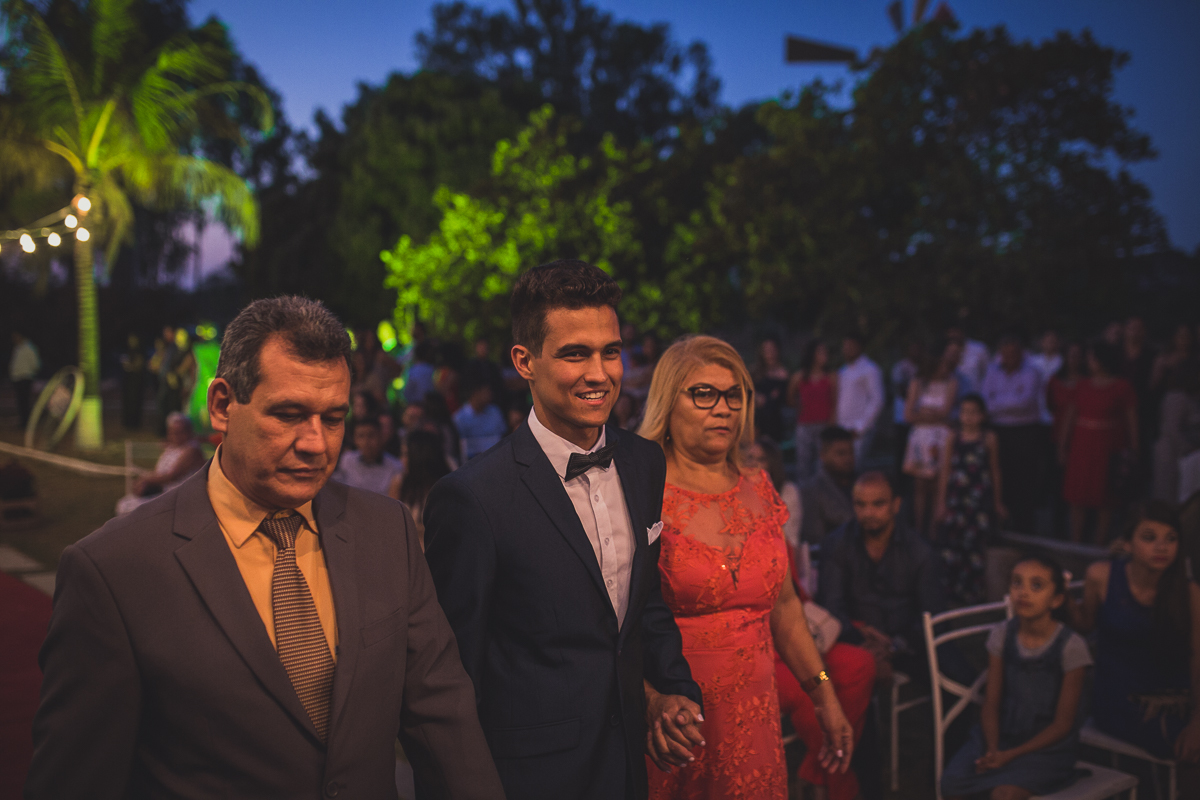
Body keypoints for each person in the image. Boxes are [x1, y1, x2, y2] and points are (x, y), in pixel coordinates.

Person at [27, 296, 503, 799]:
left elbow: (442, 717)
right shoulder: (113, 571)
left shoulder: (387, 531)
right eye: (289, 414)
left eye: (333, 418)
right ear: (222, 405)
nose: (316, 443)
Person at [423, 261, 702, 800]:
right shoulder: (473, 497)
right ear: (524, 362)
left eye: (610, 352)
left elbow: (645, 605)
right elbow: (452, 676)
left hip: (629, 766)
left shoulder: (645, 462)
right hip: (531, 778)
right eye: (576, 354)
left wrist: (671, 691)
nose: (600, 374)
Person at [638, 334, 853, 800]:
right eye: (704, 394)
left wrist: (824, 695)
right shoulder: (640, 489)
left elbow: (786, 608)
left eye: (733, 395)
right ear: (667, 401)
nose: (723, 408)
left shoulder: (758, 486)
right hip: (673, 719)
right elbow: (611, 622)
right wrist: (648, 700)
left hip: (753, 716)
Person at [1069, 501, 1200, 783]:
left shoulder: (1188, 592)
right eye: (1149, 538)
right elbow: (1086, 624)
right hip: (1121, 699)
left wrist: (1197, 718)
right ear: (1127, 543)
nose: (1162, 547)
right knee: (1190, 750)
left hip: (1178, 697)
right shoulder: (1102, 576)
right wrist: (1062, 597)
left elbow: (1197, 656)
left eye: (1171, 539)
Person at [942, 555, 1091, 800]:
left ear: (1056, 599)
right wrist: (993, 749)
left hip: (1045, 747)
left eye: (1036, 586)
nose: (1024, 592)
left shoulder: (1071, 647)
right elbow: (991, 703)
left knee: (1005, 794)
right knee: (952, 783)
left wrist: (1011, 755)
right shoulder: (1002, 635)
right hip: (1002, 735)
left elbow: (1063, 724)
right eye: (1017, 583)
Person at [817, 472, 945, 686]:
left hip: (909, 646)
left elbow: (934, 614)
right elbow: (830, 606)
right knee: (820, 678)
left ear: (896, 505)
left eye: (878, 504)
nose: (868, 513)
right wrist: (862, 643)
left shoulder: (919, 551)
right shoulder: (836, 545)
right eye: (860, 504)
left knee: (958, 679)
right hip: (852, 642)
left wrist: (895, 647)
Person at [1060, 340, 1138, 543]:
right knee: (1077, 496)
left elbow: (1131, 420)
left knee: (1106, 497)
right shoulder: (1082, 385)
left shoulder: (1122, 387)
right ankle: (1076, 542)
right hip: (1082, 446)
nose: (1088, 362)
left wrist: (1134, 450)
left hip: (1108, 448)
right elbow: (1070, 416)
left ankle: (1099, 543)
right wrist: (1063, 445)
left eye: (1092, 357)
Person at [934, 394, 1005, 606]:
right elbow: (945, 470)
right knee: (952, 544)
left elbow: (995, 470)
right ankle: (951, 592)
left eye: (973, 412)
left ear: (982, 415)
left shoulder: (989, 438)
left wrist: (997, 502)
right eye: (964, 412)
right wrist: (941, 502)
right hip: (956, 498)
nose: (968, 417)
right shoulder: (952, 437)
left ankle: (973, 594)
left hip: (979, 499)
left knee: (975, 545)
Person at [982, 334, 1043, 534]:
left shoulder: (1032, 372)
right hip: (999, 431)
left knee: (1023, 480)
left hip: (1025, 432)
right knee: (999, 476)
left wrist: (998, 403)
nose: (1009, 358)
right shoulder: (992, 371)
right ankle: (999, 524)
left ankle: (1024, 528)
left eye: (1013, 354)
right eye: (1005, 354)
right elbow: (985, 401)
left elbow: (1025, 402)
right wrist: (1011, 401)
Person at [902, 346, 959, 536]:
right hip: (921, 438)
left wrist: (924, 413)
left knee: (938, 484)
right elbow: (909, 415)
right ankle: (919, 528)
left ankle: (934, 529)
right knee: (920, 485)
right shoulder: (918, 383)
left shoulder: (951, 383)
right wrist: (935, 416)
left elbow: (946, 412)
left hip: (940, 438)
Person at [114, 411, 207, 516]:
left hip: (182, 498)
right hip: (165, 494)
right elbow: (158, 473)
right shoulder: (171, 448)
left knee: (129, 508)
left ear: (189, 431)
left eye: (180, 432)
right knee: (125, 504)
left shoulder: (192, 449)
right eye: (173, 432)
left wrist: (145, 479)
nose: (176, 436)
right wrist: (144, 483)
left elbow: (172, 476)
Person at [388, 428, 452, 547]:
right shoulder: (399, 483)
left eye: (406, 454)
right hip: (406, 549)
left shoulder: (443, 489)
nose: (401, 460)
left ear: (420, 455)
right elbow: (391, 523)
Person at [789, 338, 838, 481]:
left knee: (822, 464)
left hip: (824, 424)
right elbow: (790, 398)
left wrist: (831, 423)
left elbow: (834, 402)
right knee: (803, 462)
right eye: (821, 352)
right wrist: (800, 407)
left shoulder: (831, 377)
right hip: (805, 424)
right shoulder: (799, 377)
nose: (824, 355)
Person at [799, 425, 856, 546]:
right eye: (841, 453)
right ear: (823, 455)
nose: (848, 459)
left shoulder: (861, 483)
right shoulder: (812, 491)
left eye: (851, 452)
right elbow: (814, 539)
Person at [835, 334, 884, 465]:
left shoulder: (870, 369)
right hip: (842, 428)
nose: (846, 350)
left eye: (850, 346)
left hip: (858, 430)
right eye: (845, 346)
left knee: (854, 466)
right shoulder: (843, 370)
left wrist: (860, 427)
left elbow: (877, 400)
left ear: (859, 347)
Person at [332, 414, 404, 496]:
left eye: (371, 435)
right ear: (355, 439)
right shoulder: (347, 460)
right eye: (361, 436)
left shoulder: (395, 466)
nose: (366, 442)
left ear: (380, 436)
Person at [452, 376, 508, 461]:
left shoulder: (495, 411)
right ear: (476, 393)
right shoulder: (460, 418)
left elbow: (503, 435)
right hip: (471, 462)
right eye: (486, 391)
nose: (490, 394)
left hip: (498, 458)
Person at [752, 336, 792, 442]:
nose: (770, 353)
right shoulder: (755, 373)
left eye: (772, 349)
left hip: (775, 421)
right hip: (757, 420)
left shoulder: (783, 374)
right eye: (766, 350)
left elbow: (784, 398)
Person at [9, 330, 40, 428]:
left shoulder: (29, 347)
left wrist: (29, 373)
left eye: (16, 336)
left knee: (25, 401)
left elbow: (35, 364)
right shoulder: (17, 348)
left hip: (25, 378)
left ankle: (27, 423)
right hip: (17, 378)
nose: (14, 339)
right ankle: (23, 422)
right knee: (20, 402)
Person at [120, 333, 146, 430]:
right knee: (128, 402)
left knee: (135, 402)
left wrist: (129, 366)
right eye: (130, 340)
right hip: (128, 381)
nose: (132, 342)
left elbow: (138, 365)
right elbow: (124, 363)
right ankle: (128, 422)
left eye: (134, 340)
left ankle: (135, 423)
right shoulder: (127, 351)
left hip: (136, 382)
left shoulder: (140, 352)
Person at [404, 339, 438, 406]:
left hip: (416, 405)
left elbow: (406, 393)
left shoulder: (412, 370)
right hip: (431, 406)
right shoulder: (433, 370)